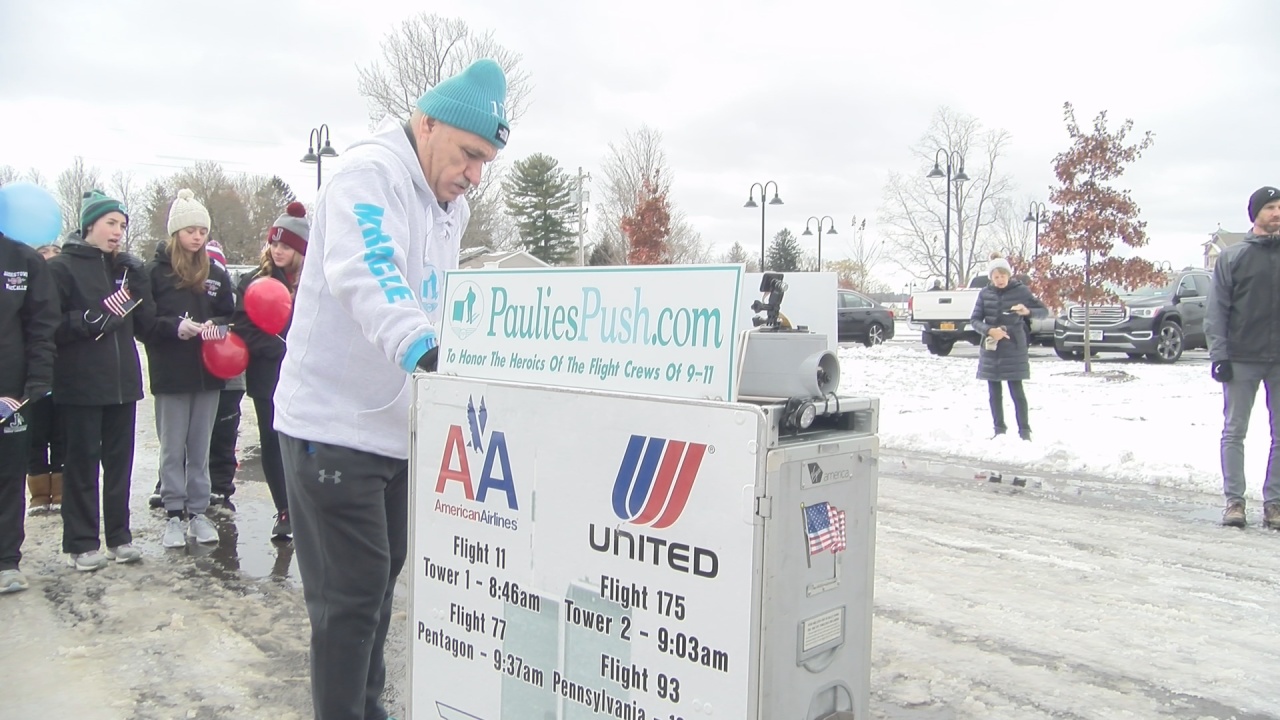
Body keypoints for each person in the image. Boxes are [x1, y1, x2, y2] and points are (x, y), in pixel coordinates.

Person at [273, 58, 509, 720]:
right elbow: (368, 270)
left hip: (398, 429)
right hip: (332, 429)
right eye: (469, 155)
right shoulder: (368, 175)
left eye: (485, 162)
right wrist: (425, 351)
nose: (474, 175)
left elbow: (444, 301)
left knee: (377, 590)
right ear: (426, 123)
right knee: (349, 601)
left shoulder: (449, 207)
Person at [47, 190, 153, 570]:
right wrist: (86, 320)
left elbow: (146, 323)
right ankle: (81, 543)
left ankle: (119, 537)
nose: (118, 232)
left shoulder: (121, 268)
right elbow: (49, 324)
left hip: (123, 382)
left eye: (123, 225)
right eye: (111, 223)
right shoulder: (61, 268)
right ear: (89, 224)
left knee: (120, 464)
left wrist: (140, 279)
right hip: (80, 383)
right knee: (82, 464)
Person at [144, 189, 234, 548]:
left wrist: (218, 325)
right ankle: (173, 515)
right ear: (176, 232)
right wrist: (173, 327)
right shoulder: (155, 272)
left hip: (209, 373)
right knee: (172, 447)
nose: (198, 236)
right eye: (190, 230)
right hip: (172, 372)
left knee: (200, 446)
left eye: (202, 230)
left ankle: (198, 512)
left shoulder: (215, 272)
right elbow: (145, 322)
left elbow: (230, 313)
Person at [234, 202, 309, 541]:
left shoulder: (313, 283)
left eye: (286, 245)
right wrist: (279, 348)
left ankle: (308, 505)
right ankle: (284, 509)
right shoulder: (255, 282)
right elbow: (244, 328)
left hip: (307, 378)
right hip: (268, 376)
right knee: (272, 441)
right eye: (274, 244)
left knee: (304, 442)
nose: (278, 250)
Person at [1206, 186, 1280, 529]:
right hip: (1241, 359)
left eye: (1279, 207)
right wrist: (1219, 355)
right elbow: (1217, 310)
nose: (1276, 213)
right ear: (1255, 215)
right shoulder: (1233, 257)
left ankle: (1274, 503)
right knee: (1235, 431)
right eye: (1269, 207)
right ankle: (1234, 501)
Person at [0, 230, 60, 594]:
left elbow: (42, 325)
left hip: (12, 395)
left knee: (8, 474)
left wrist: (37, 379)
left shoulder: (22, 260)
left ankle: (6, 560)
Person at [970, 253, 1047, 441]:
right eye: (996, 277)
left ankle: (1024, 431)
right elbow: (974, 320)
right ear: (991, 278)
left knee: (1016, 390)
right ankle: (999, 429)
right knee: (994, 392)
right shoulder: (984, 293)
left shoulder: (1021, 291)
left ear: (1009, 275)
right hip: (992, 347)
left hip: (1014, 346)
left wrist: (1026, 311)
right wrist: (989, 330)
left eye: (1003, 276)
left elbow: (1043, 312)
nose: (1000, 280)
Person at [26, 242, 66, 515]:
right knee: (34, 435)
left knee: (63, 434)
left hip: (64, 375)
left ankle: (62, 490)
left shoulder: (67, 295)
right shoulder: (28, 298)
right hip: (34, 377)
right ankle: (39, 493)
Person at [205, 239, 244, 511]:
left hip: (231, 376)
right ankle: (171, 482)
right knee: (191, 434)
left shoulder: (231, 293)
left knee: (224, 434)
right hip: (198, 375)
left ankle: (220, 485)